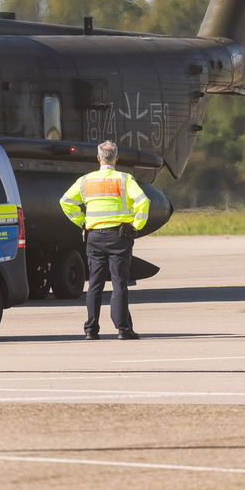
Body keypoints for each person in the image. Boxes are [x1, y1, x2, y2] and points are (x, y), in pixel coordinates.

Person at [59, 140, 149, 340]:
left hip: (94, 237)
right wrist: (137, 225)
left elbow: (65, 201)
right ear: (117, 158)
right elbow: (143, 201)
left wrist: (82, 222)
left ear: (98, 158)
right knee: (119, 284)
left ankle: (91, 329)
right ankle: (123, 329)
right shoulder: (124, 179)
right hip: (119, 237)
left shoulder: (86, 181)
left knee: (95, 285)